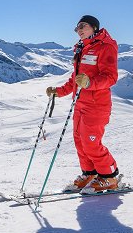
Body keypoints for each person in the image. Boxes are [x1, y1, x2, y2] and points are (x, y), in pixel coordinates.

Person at [46, 15, 119, 193]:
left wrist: (89, 83)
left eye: (82, 26)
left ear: (94, 27)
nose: (78, 30)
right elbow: (75, 80)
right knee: (80, 142)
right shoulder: (82, 49)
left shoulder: (105, 46)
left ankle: (109, 177)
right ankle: (90, 173)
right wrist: (59, 91)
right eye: (76, 28)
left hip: (96, 105)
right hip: (80, 104)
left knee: (91, 143)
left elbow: (111, 77)